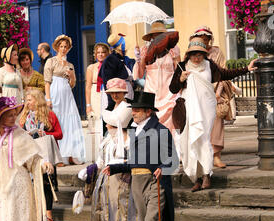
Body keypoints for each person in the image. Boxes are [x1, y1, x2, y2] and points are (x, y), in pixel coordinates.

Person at [103, 91, 179, 221]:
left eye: (136, 110)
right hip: (136, 182)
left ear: (147, 111)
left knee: (151, 220)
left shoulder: (161, 130)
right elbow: (133, 162)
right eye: (133, 110)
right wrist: (115, 168)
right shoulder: (134, 130)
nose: (133, 113)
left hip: (154, 181)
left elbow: (173, 159)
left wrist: (163, 167)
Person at [169, 37, 256, 191]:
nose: (196, 58)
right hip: (189, 107)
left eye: (199, 54)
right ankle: (196, 178)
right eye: (193, 54)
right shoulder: (182, 66)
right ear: (188, 55)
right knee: (188, 142)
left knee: (203, 139)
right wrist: (180, 79)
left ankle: (207, 175)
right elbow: (173, 88)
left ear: (204, 55)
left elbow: (226, 74)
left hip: (206, 107)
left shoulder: (210, 65)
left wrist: (246, 69)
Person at [80, 79, 149, 221]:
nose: (114, 95)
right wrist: (92, 169)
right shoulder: (107, 140)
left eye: (117, 92)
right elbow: (102, 156)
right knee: (106, 216)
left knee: (124, 216)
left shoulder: (127, 111)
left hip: (122, 178)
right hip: (106, 179)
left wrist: (104, 114)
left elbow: (116, 120)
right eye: (111, 92)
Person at [190, 26, 236, 168]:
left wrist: (217, 93)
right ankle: (201, 157)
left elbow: (223, 72)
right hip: (198, 94)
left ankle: (216, 155)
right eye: (201, 39)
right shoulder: (193, 52)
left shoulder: (217, 52)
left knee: (216, 123)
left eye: (207, 39)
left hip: (216, 92)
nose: (205, 41)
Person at [133, 21, 181, 152]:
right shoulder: (145, 50)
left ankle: (172, 151)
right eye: (155, 35)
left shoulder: (173, 49)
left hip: (169, 90)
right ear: (151, 36)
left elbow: (179, 70)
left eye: (160, 35)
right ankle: (155, 151)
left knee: (171, 118)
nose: (158, 38)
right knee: (152, 119)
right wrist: (139, 59)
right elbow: (140, 74)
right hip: (151, 91)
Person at [19, 88, 63, 221]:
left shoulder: (49, 115)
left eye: (30, 100)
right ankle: (36, 213)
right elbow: (19, 134)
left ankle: (48, 214)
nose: (27, 103)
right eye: (27, 100)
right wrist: (26, 133)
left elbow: (60, 134)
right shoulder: (24, 116)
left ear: (37, 100)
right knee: (30, 184)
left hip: (45, 153)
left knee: (46, 183)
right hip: (30, 153)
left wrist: (45, 133)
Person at [44, 34, 86, 165]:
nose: (63, 49)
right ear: (57, 47)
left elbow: (72, 84)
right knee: (57, 121)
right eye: (61, 46)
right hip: (54, 93)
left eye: (65, 47)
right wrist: (48, 98)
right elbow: (47, 81)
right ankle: (57, 155)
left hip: (67, 94)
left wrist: (72, 75)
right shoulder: (51, 61)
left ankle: (70, 153)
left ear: (68, 48)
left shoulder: (70, 65)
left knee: (70, 121)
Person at [99, 33, 135, 112]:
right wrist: (112, 105)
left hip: (126, 96)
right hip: (116, 99)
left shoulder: (124, 59)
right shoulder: (110, 60)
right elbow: (107, 83)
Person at [85, 42, 110, 137]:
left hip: (107, 93)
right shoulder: (91, 68)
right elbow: (87, 87)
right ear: (95, 54)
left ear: (107, 53)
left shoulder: (110, 66)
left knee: (107, 117)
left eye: (103, 52)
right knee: (96, 120)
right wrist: (88, 105)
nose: (100, 54)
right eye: (98, 52)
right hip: (95, 94)